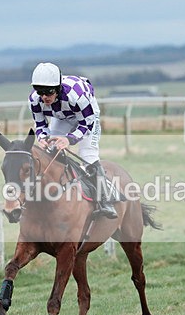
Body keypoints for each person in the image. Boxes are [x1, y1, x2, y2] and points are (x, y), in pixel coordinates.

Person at [28, 62, 118, 219]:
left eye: (48, 92)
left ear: (57, 88)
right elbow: (41, 125)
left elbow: (86, 124)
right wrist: (43, 138)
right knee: (50, 150)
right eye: (39, 91)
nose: (44, 96)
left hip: (87, 118)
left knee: (87, 154)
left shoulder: (76, 95)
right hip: (62, 117)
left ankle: (105, 200)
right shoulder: (34, 100)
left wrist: (69, 139)